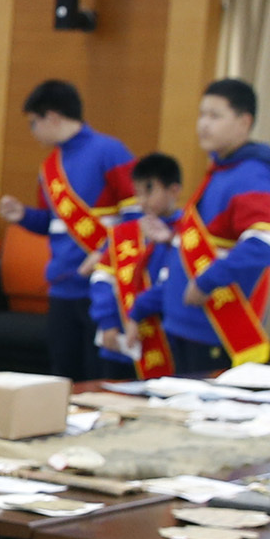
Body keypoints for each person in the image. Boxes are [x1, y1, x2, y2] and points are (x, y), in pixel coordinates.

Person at [0, 78, 133, 381]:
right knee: (63, 378)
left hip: (102, 288)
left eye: (33, 123)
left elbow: (137, 216)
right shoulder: (49, 168)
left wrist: (104, 254)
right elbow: (52, 224)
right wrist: (23, 216)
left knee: (100, 381)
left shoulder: (110, 151)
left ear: (53, 117)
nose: (32, 132)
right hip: (61, 287)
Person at [167, 78, 270, 369]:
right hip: (187, 324)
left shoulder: (252, 175)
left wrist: (207, 281)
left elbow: (266, 244)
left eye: (215, 116)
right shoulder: (222, 168)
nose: (203, 124)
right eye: (202, 114)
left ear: (244, 122)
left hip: (217, 328)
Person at [90, 153, 186, 379]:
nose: (141, 201)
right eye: (137, 193)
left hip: (163, 340)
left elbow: (173, 283)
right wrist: (108, 322)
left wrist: (137, 312)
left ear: (174, 190)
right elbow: (101, 278)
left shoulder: (186, 231)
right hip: (119, 341)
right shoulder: (126, 231)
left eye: (149, 192)